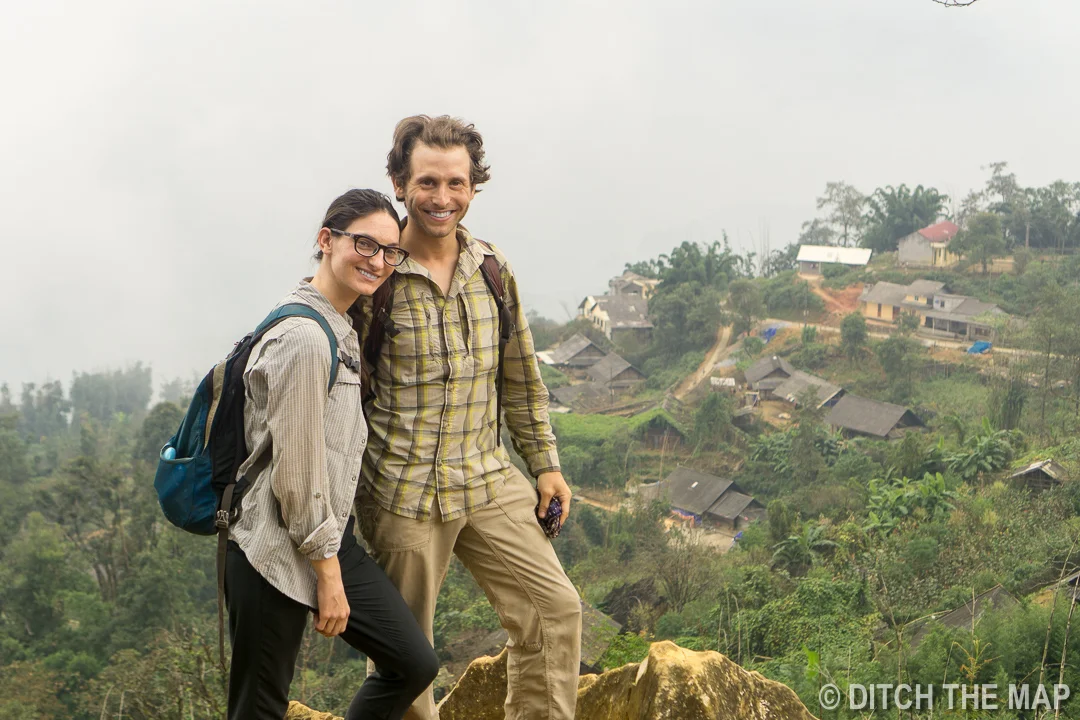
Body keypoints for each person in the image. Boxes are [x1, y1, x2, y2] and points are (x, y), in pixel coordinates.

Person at [353, 116, 582, 720]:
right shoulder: (377, 276)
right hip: (402, 490)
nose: (442, 197)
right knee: (407, 658)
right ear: (399, 183)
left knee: (553, 611)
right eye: (427, 182)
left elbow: (521, 377)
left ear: (474, 186)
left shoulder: (491, 269)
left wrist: (546, 465)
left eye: (456, 183)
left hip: (485, 475)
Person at [225, 189, 440, 720]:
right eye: (364, 244)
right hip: (271, 546)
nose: (378, 261)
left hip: (326, 534)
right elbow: (297, 477)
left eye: (390, 251)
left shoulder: (339, 325)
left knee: (413, 663)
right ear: (326, 240)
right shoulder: (304, 339)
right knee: (260, 708)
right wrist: (328, 575)